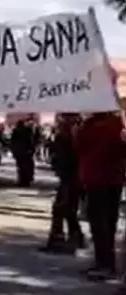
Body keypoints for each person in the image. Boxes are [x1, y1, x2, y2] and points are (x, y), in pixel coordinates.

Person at [75, 112, 126, 280]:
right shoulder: (118, 123)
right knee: (109, 224)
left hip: (96, 179)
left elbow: (79, 146)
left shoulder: (90, 125)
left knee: (99, 224)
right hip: (114, 179)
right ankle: (107, 263)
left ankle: (104, 264)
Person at [39, 113, 85, 255]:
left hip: (72, 177)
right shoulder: (67, 133)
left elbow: (75, 155)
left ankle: (60, 239)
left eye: (63, 118)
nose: (59, 120)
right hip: (69, 176)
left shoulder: (74, 133)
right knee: (67, 209)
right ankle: (75, 237)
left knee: (61, 208)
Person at [10, 120, 36, 187]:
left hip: (19, 151)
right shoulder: (27, 130)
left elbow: (13, 142)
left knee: (20, 167)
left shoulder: (16, 131)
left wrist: (13, 150)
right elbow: (31, 140)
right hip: (26, 151)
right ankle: (26, 180)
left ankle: (22, 180)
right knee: (26, 166)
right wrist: (32, 149)